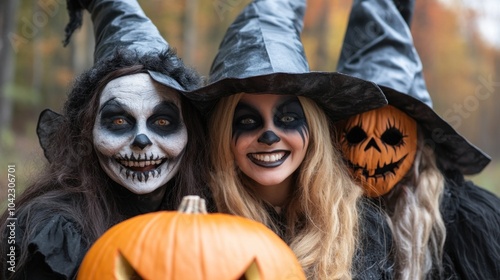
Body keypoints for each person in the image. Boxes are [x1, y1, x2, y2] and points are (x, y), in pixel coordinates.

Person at [183, 0, 394, 278]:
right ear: (224, 133)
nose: (269, 136)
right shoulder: (197, 224)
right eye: (247, 121)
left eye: (287, 119)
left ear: (313, 129)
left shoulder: (365, 226)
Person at [0, 0, 209, 279]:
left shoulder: (214, 216)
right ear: (85, 132)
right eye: (119, 121)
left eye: (162, 122)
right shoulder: (50, 232)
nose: (142, 141)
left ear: (189, 134)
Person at [335, 0, 500, 279]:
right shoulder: (315, 216)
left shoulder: (469, 222)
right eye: (355, 135)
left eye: (391, 136)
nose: (370, 152)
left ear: (420, 141)